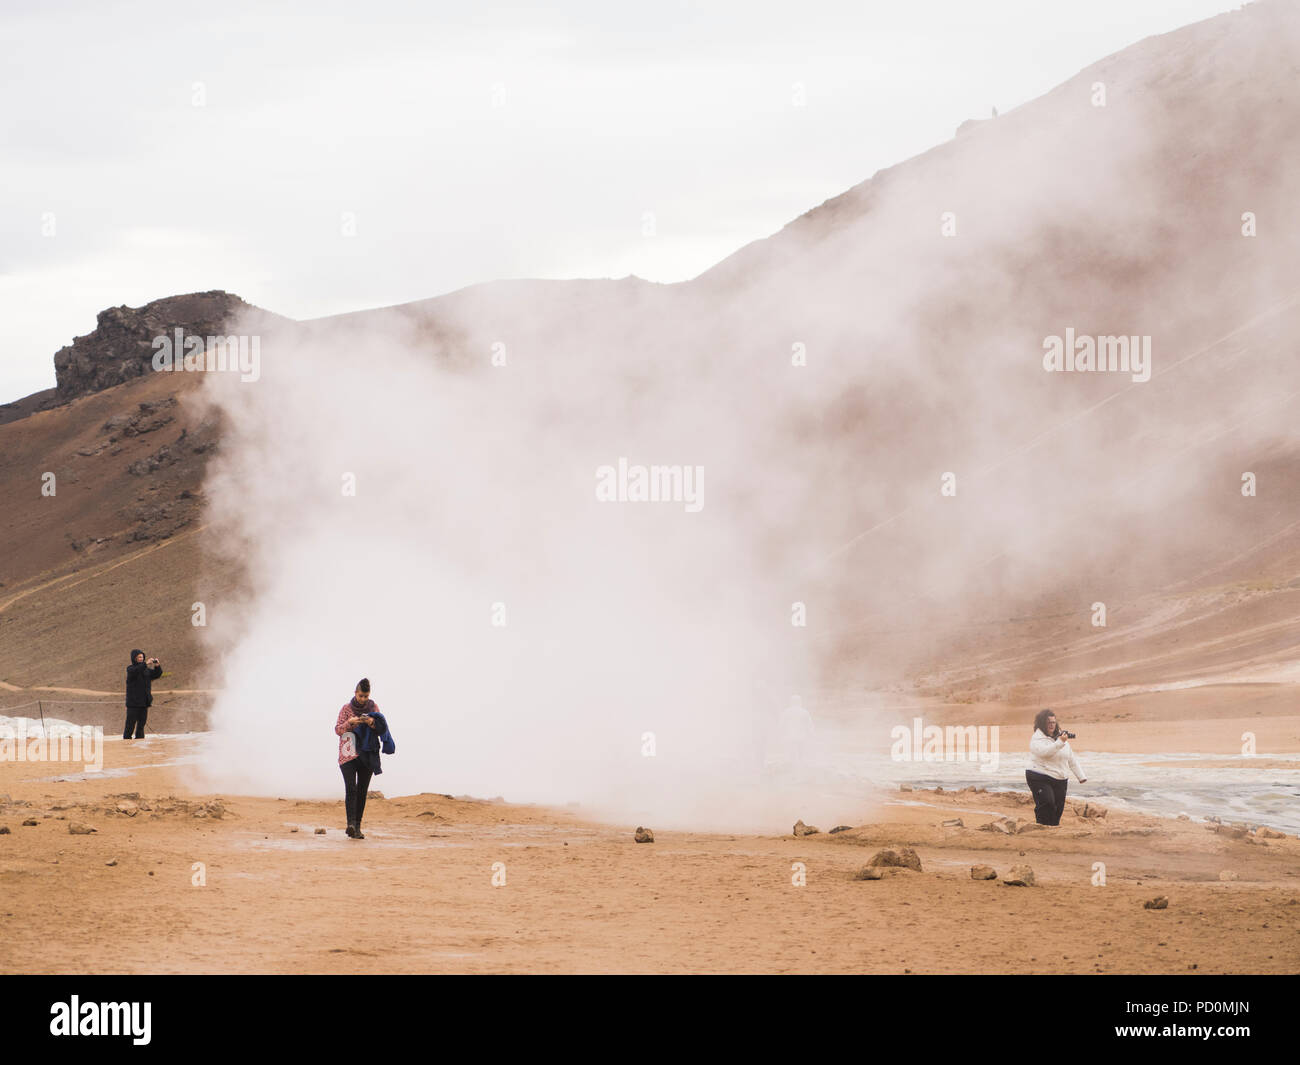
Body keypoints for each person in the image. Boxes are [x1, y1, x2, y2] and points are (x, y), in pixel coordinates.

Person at [334, 677, 394, 839]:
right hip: (348, 754)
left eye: (366, 696)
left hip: (367, 754)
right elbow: (338, 730)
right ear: (355, 693)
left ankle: (357, 827)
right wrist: (350, 722)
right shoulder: (346, 709)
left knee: (362, 791)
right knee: (351, 789)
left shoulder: (374, 708)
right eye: (361, 696)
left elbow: (382, 728)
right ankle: (350, 824)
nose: (363, 699)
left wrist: (371, 722)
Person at [1026, 708, 1087, 825]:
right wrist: (1060, 742)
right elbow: (1045, 753)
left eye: (1053, 722)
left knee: (1058, 809)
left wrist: (1081, 777)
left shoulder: (1061, 739)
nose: (1051, 725)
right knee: (1047, 802)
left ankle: (1052, 829)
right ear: (1042, 723)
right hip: (1039, 776)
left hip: (1060, 778)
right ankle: (1041, 827)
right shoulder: (1037, 739)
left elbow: (1071, 759)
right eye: (1048, 722)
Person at [124, 649, 162, 740]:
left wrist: (157, 666)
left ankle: (140, 742)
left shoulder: (146, 670)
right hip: (133, 703)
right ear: (134, 658)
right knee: (130, 725)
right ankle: (126, 743)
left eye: (142, 657)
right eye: (139, 657)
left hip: (144, 703)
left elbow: (156, 675)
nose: (141, 659)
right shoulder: (130, 669)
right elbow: (137, 670)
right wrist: (145, 664)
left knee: (141, 725)